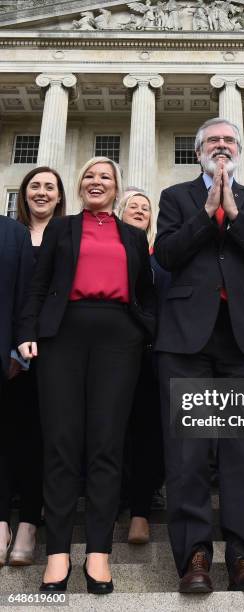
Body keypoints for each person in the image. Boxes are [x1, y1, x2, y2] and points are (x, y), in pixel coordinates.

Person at [17, 157, 156, 594]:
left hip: (119, 338)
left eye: (106, 177)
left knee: (106, 444)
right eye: (89, 177)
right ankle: (57, 553)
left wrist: (142, 331)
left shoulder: (132, 235)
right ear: (79, 187)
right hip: (63, 336)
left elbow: (146, 294)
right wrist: (27, 331)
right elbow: (38, 285)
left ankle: (98, 552)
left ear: (116, 188)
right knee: (60, 442)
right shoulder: (61, 229)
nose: (97, 182)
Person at [155, 117, 244, 593]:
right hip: (186, 340)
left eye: (229, 140)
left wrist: (234, 211)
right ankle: (194, 557)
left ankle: (242, 557)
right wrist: (207, 214)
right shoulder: (175, 197)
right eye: (214, 141)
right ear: (198, 152)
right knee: (187, 455)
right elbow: (166, 254)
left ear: (239, 149)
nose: (222, 146)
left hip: (243, 341)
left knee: (241, 453)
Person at [1, 167, 66, 567]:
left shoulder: (68, 235)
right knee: (8, 434)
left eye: (49, 187)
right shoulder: (8, 235)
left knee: (42, 437)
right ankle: (3, 522)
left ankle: (29, 521)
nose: (41, 193)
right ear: (23, 194)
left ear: (60, 197)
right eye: (34, 186)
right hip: (12, 355)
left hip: (57, 354)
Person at [116, 188, 166, 545]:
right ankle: (117, 494)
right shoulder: (108, 252)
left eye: (144, 207)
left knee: (148, 430)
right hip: (111, 352)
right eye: (131, 205)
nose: (138, 210)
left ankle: (141, 508)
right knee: (113, 430)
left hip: (149, 353)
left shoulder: (160, 257)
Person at [0, 215, 33, 567]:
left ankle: (25, 522)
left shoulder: (14, 234)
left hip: (21, 357)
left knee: (25, 437)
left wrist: (15, 350)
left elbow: (25, 294)